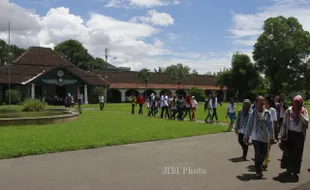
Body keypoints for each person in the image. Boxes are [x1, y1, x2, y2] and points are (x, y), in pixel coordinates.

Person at [244, 96, 273, 179]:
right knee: (258, 154)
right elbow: (249, 126)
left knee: (264, 155)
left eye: (263, 101)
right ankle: (258, 172)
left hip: (264, 137)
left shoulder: (268, 113)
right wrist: (246, 137)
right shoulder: (253, 113)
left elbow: (270, 126)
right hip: (255, 137)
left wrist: (271, 137)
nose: (262, 103)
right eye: (260, 101)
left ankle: (259, 165)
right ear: (256, 103)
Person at [280, 95, 309, 177]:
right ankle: (289, 169)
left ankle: (295, 170)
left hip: (300, 136)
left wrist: (300, 115)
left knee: (297, 153)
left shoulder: (304, 111)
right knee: (289, 152)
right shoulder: (288, 111)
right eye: (295, 102)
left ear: (301, 103)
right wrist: (283, 135)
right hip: (290, 134)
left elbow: (306, 123)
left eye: (298, 103)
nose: (296, 105)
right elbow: (285, 124)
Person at [263, 96, 277, 170]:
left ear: (268, 101)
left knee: (267, 147)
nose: (263, 102)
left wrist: (273, 135)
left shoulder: (272, 110)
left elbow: (274, 122)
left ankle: (265, 161)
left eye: (264, 100)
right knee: (263, 147)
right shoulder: (262, 109)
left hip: (269, 131)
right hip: (262, 131)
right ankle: (265, 159)